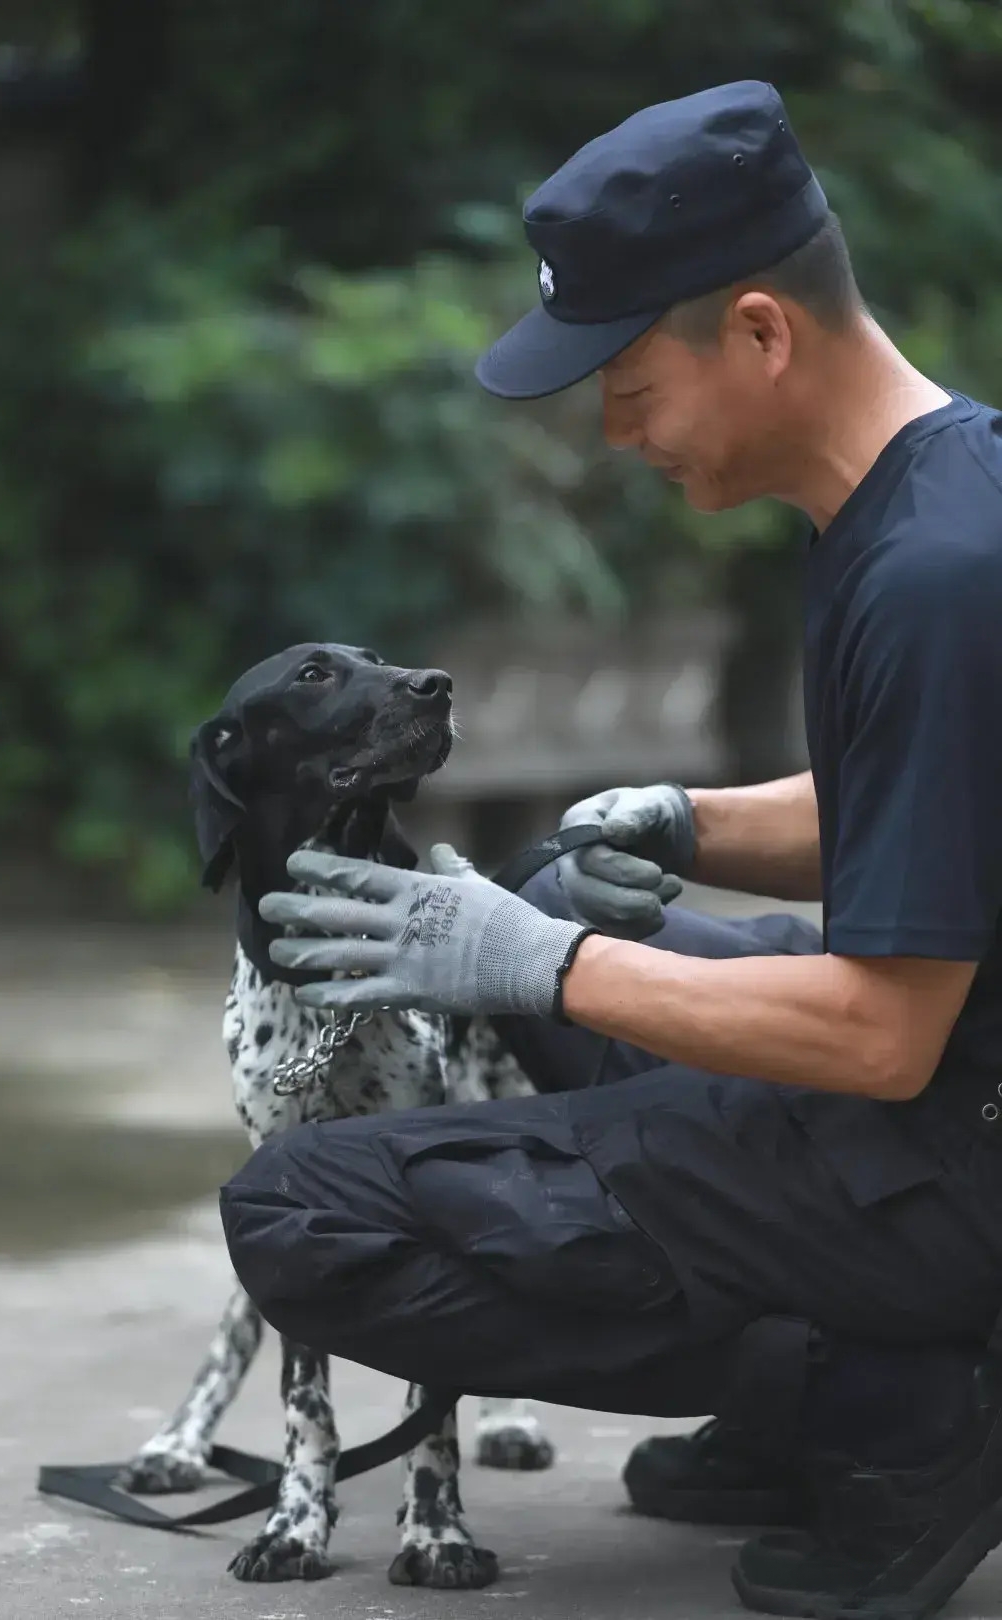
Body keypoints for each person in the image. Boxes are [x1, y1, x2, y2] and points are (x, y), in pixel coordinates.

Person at [218, 80, 1002, 1619]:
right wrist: (687, 823)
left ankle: (884, 1401)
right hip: (958, 1098)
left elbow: (883, 1035)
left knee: (296, 1205)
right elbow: (932, 811)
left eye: (630, 382)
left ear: (761, 332)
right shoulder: (940, 497)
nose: (613, 427)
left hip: (949, 1156)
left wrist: (552, 969)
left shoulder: (932, 579)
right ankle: (845, 1382)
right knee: (547, 896)